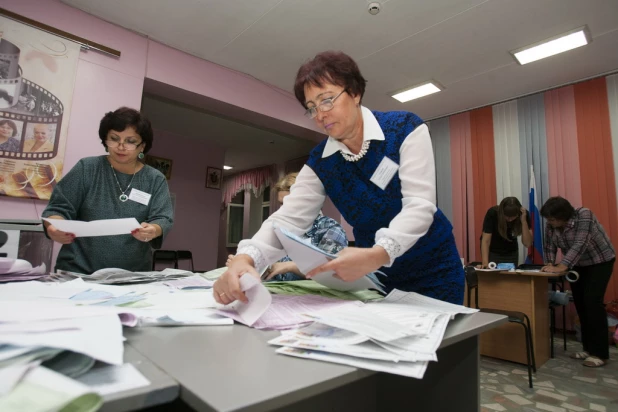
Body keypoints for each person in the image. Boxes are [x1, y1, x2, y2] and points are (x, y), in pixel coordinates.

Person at [215, 50, 464, 305]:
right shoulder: (321, 161)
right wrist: (246, 258)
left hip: (434, 270)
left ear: (355, 93)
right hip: (377, 279)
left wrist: (378, 253)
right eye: (311, 108)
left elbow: (420, 206)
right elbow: (286, 221)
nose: (320, 115)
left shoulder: (404, 129)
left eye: (326, 100)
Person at [42, 107, 174, 274]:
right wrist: (54, 227)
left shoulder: (154, 179)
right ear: (105, 140)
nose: (121, 146)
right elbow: (58, 208)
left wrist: (153, 230)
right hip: (78, 271)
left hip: (132, 274)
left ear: (142, 146)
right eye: (114, 138)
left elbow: (163, 218)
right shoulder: (87, 168)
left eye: (130, 141)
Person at [226, 172, 348, 281]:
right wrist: (248, 262)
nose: (285, 209)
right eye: (281, 204)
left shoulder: (330, 229)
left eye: (290, 203)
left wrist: (290, 266)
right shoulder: (277, 228)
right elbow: (269, 265)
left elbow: (335, 270)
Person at [540, 196, 615, 368]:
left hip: (600, 262)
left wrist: (562, 265)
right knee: (581, 304)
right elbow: (549, 246)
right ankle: (588, 349)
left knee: (592, 302)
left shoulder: (584, 215)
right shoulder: (551, 225)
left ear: (563, 216)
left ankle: (600, 353)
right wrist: (550, 264)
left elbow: (580, 243)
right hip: (577, 265)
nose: (549, 223)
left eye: (552, 219)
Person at [479, 197, 532, 268]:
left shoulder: (524, 215)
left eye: (513, 217)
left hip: (511, 253)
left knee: (510, 278)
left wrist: (523, 221)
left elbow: (527, 243)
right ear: (501, 212)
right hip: (493, 252)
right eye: (506, 217)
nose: (509, 220)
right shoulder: (493, 213)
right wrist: (485, 263)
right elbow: (486, 240)